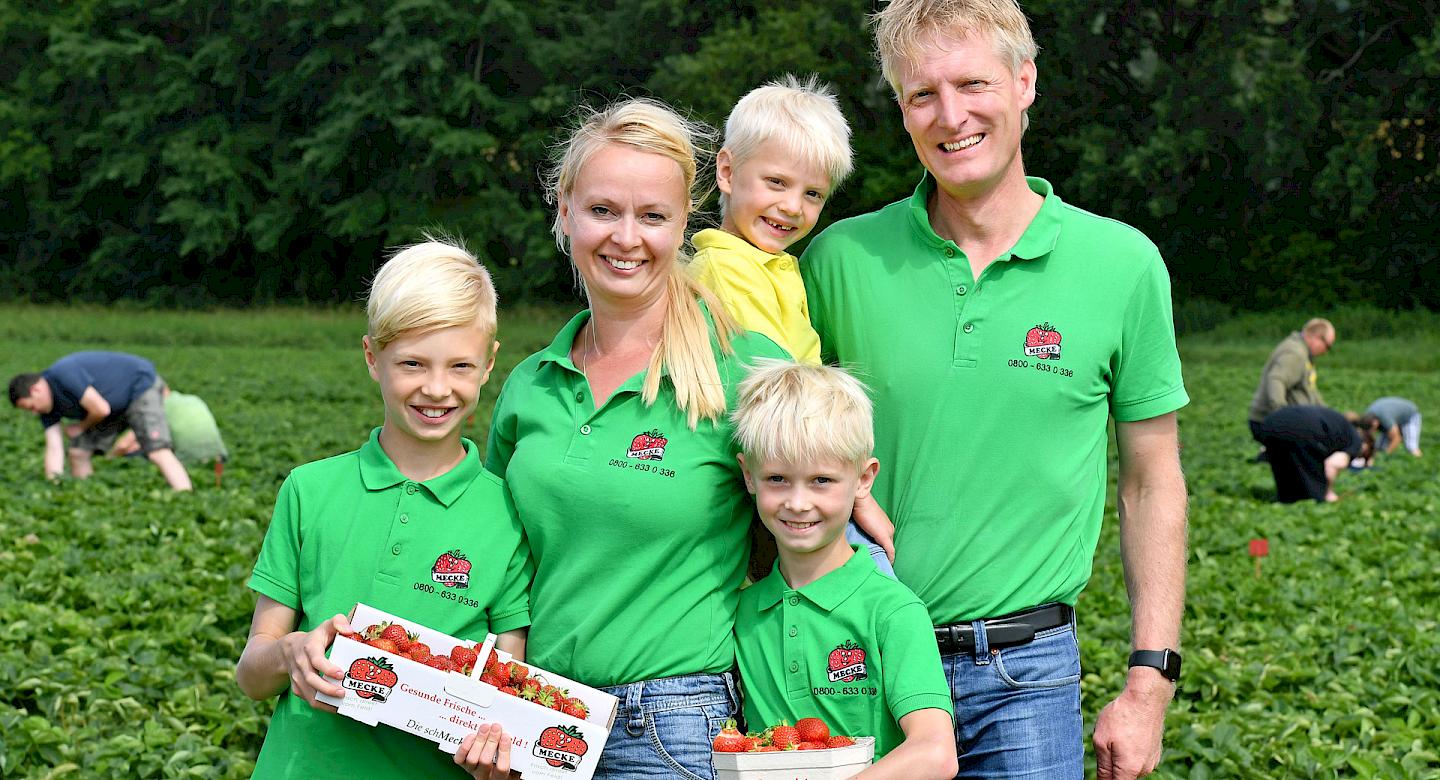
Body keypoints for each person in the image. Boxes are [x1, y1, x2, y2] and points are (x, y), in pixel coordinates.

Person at [800, 1, 1190, 777]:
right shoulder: (838, 260)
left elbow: (1153, 480)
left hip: (1024, 678)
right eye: (922, 95)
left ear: (1024, 82)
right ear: (902, 110)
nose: (951, 116)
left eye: (972, 84)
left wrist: (1151, 680)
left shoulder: (1123, 265)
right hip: (852, 667)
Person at [485, 98, 788, 779]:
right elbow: (500, 570)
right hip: (537, 714)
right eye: (602, 211)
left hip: (672, 725)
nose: (626, 237)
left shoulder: (746, 369)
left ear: (683, 224)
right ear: (564, 210)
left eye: (652, 216)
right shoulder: (531, 384)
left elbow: (815, 545)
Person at [234, 239, 531, 779]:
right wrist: (291, 654)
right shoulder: (309, 490)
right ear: (373, 357)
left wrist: (498, 762)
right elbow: (253, 676)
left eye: (459, 366)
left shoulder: (509, 514)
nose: (437, 389)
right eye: (412, 364)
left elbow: (508, 686)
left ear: (489, 365)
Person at [691, 74, 897, 577]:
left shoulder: (776, 266)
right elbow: (776, 399)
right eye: (776, 183)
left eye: (812, 194)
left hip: (804, 475)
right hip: (789, 479)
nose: (791, 207)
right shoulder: (721, 272)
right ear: (726, 170)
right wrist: (856, 499)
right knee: (873, 589)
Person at [731, 360, 957, 777]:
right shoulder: (742, 613)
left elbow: (935, 752)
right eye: (778, 478)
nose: (797, 502)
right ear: (749, 475)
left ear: (864, 479)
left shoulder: (892, 610)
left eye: (821, 480)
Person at [9, 351, 192, 490]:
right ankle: (85, 496)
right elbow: (54, 447)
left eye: (31, 407)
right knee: (78, 452)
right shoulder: (47, 408)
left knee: (157, 450)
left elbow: (100, 408)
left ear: (36, 390)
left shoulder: (62, 374)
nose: (34, 413)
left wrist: (81, 426)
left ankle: (184, 494)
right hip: (111, 407)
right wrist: (53, 484)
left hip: (140, 387)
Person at [1253, 405, 1370, 502]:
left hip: (1270, 423)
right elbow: (1332, 465)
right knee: (1314, 491)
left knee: (1286, 472)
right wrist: (1328, 493)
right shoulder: (1356, 442)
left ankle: (1286, 500)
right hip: (1303, 429)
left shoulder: (1341, 425)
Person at [1247, 318, 1335, 444]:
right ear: (1316, 338)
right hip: (1268, 421)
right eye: (1327, 346)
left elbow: (1309, 391)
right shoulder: (1295, 353)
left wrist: (1329, 416)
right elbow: (1276, 379)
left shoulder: (1302, 352)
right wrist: (1282, 417)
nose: (1325, 352)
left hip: (1289, 422)